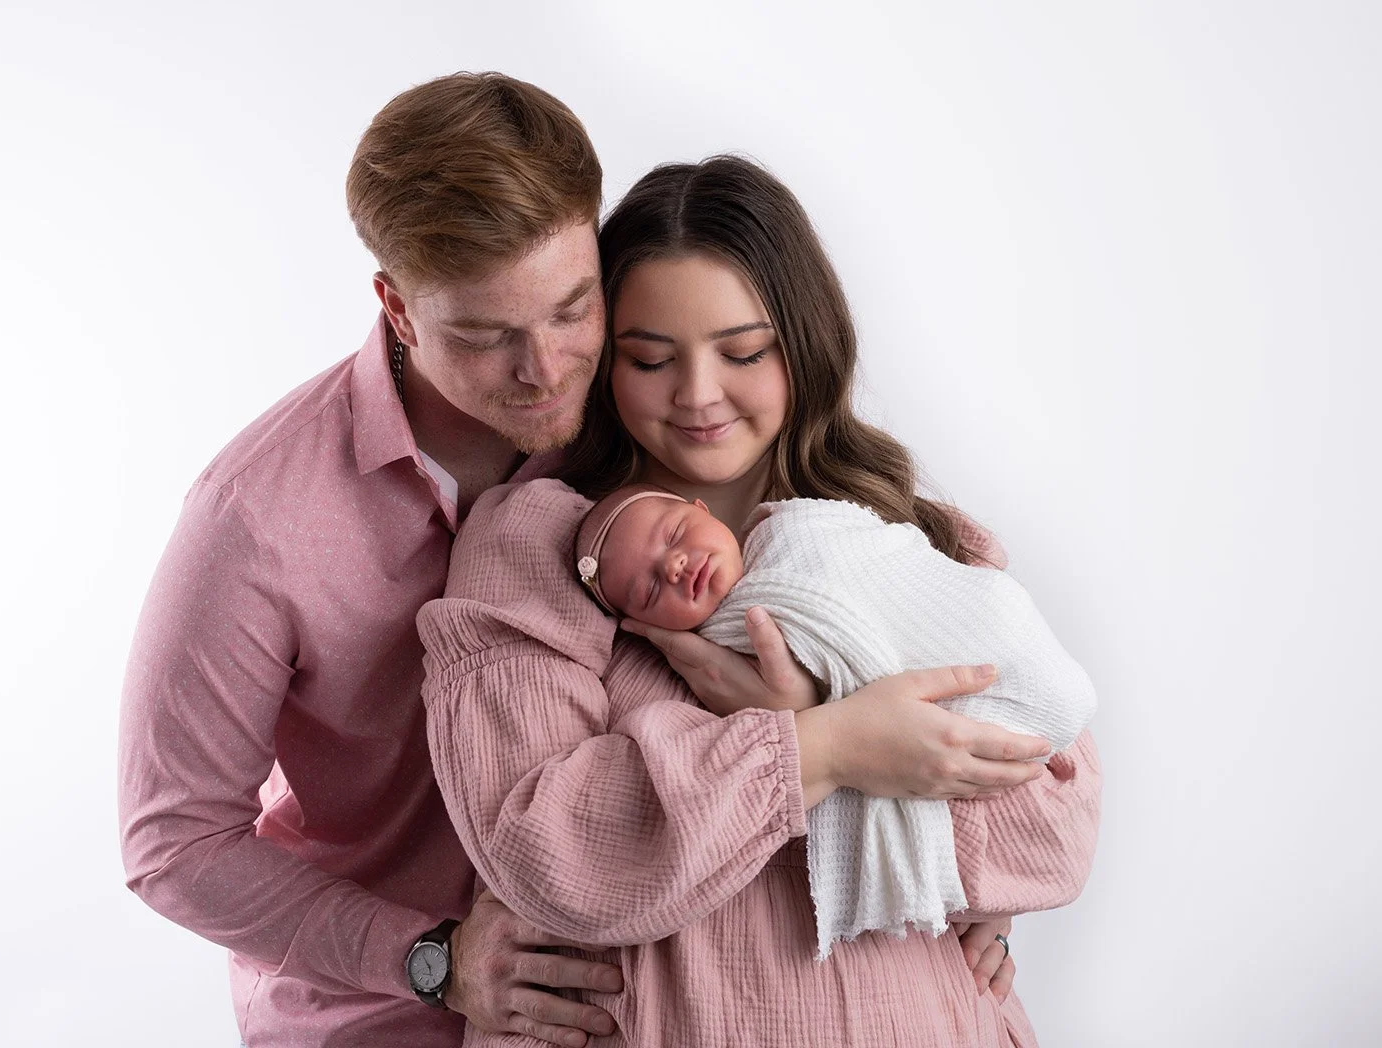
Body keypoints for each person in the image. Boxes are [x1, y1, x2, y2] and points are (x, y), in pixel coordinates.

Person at [416, 155, 1102, 1045]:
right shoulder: (544, 546)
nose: (698, 396)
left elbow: (1053, 835)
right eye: (649, 358)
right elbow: (552, 850)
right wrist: (826, 748)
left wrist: (813, 724)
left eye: (742, 352)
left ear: (803, 344)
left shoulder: (913, 539)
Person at [118, 72, 630, 1048]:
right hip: (378, 1016)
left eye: (572, 308)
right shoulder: (253, 516)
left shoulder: (637, 411)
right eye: (486, 336)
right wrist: (433, 957)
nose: (546, 368)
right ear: (397, 308)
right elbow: (172, 844)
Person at [574, 481, 1097, 953]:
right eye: (648, 591)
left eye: (676, 532)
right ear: (639, 626)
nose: (674, 566)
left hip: (996, 654)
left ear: (701, 508)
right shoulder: (718, 647)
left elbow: (927, 591)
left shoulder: (805, 527)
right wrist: (827, 727)